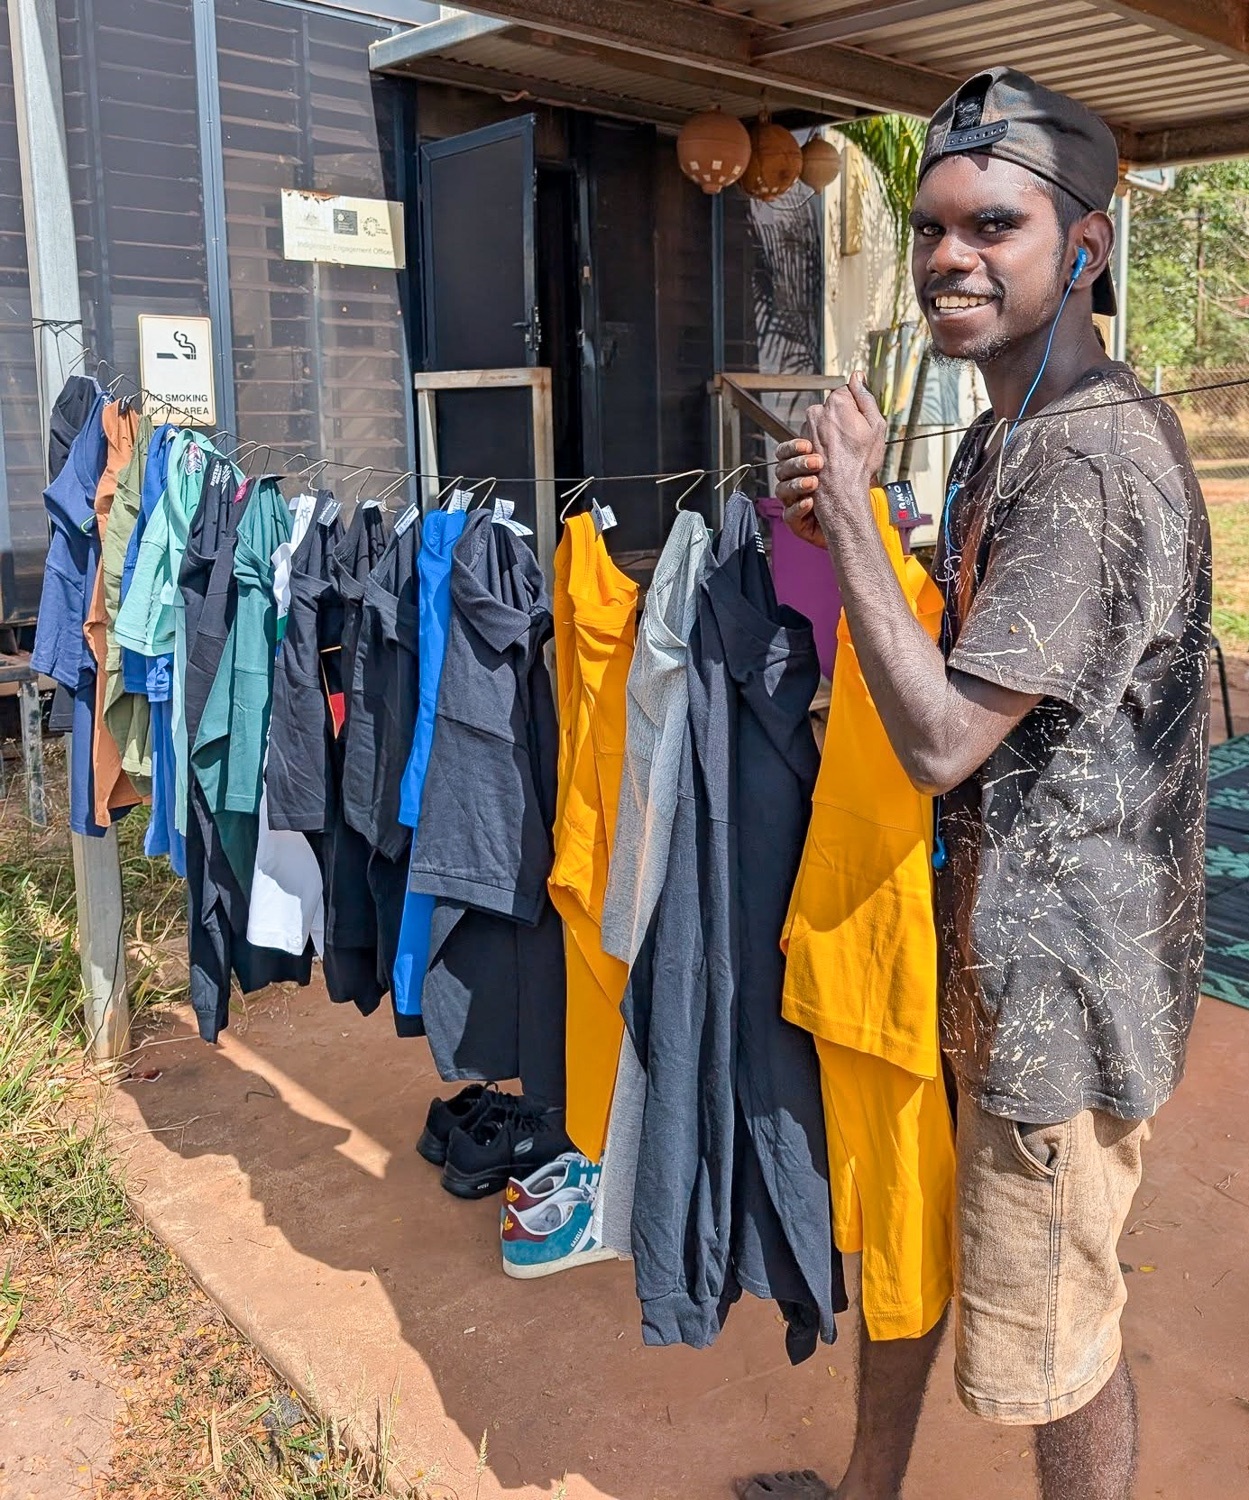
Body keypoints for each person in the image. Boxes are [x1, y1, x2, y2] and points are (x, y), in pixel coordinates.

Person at [739, 67, 1211, 1500]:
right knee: (916, 1247)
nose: (951, 255)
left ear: (1085, 246)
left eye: (994, 225)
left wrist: (855, 532)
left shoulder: (1089, 465)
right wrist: (856, 530)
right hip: (971, 957)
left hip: (1056, 999)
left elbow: (944, 739)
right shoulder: (1008, 432)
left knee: (1056, 1344)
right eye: (933, 225)